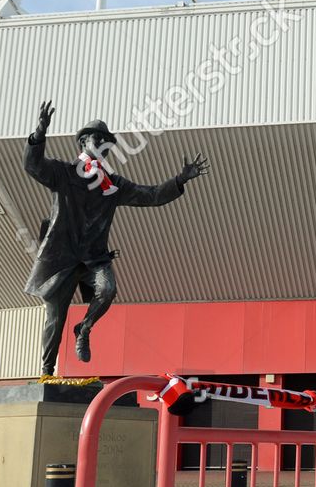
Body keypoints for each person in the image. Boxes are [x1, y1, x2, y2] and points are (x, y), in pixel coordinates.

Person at [23, 100, 207, 375]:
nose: (101, 144)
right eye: (97, 138)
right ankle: (47, 371)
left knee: (107, 290)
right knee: (54, 318)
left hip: (94, 259)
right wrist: (39, 133)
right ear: (83, 142)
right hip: (61, 259)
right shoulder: (63, 174)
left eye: (106, 141)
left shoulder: (113, 185)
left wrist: (180, 180)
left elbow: (152, 195)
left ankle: (83, 329)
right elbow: (33, 165)